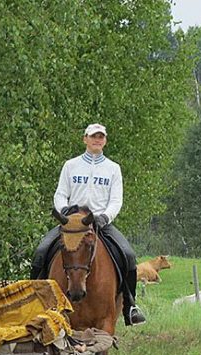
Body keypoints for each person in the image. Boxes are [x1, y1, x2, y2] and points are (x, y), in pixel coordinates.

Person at [30, 123, 146, 326]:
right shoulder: (71, 165)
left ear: (105, 141)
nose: (97, 140)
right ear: (85, 139)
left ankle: (130, 305)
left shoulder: (113, 168)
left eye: (101, 137)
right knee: (41, 252)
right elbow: (60, 193)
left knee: (128, 255)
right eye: (93, 136)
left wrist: (105, 217)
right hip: (72, 224)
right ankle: (35, 303)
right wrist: (64, 211)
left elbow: (116, 200)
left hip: (100, 222)